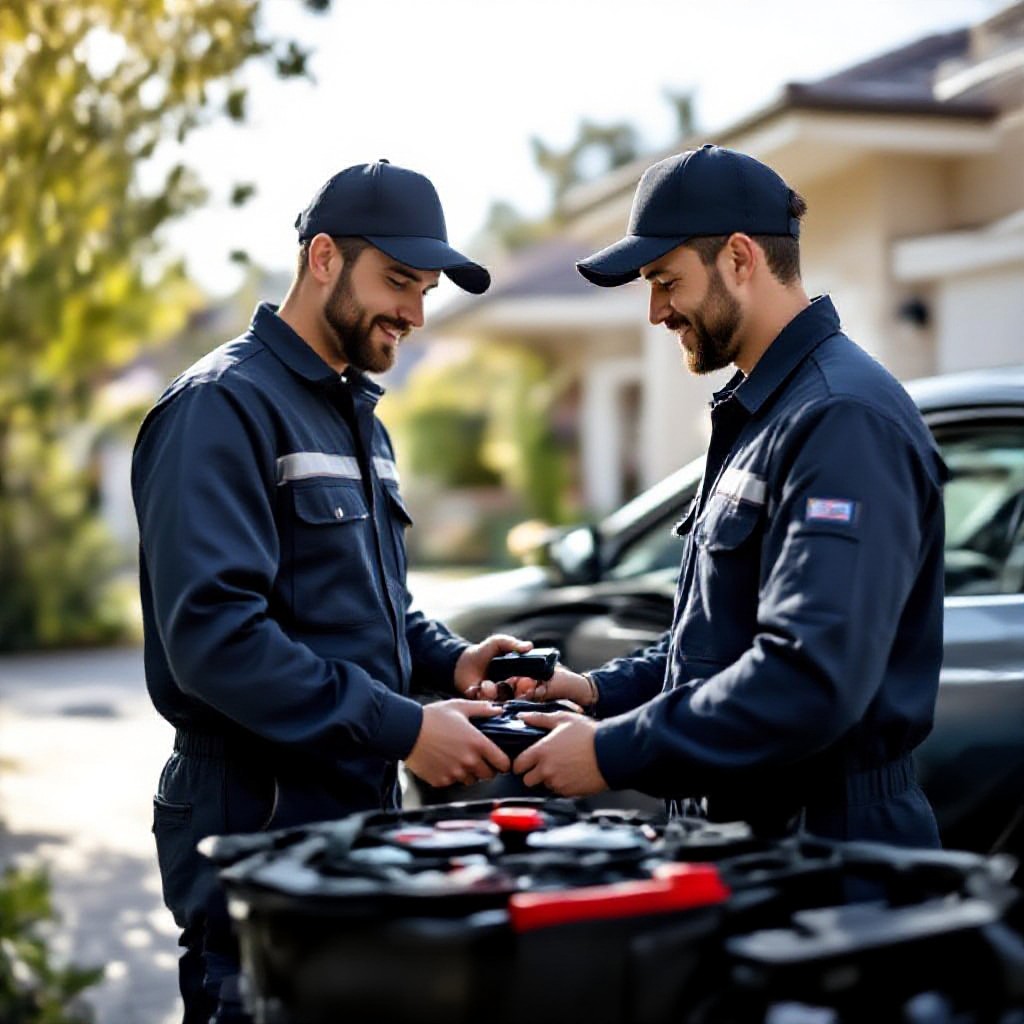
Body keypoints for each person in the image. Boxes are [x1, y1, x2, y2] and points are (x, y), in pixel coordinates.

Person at [132, 159, 529, 1023]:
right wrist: (405, 728)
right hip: (254, 817)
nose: (415, 314)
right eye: (397, 281)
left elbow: (373, 599)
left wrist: (451, 663)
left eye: (424, 290)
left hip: (353, 811)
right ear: (321, 260)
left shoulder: (355, 415)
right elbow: (216, 639)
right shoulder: (219, 407)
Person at [501, 144, 947, 851]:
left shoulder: (840, 419)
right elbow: (722, 640)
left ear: (740, 258)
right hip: (756, 839)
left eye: (665, 280)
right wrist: (594, 695)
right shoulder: (768, 410)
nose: (655, 312)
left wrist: (611, 752)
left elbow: (807, 676)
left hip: (827, 856)